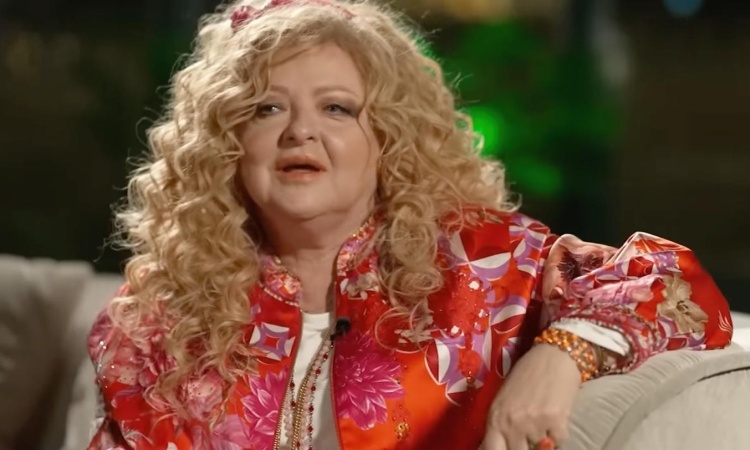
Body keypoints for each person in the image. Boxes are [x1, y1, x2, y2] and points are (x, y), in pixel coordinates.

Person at [86, 0, 733, 449]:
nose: (300, 131)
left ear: (389, 140)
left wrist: (562, 357)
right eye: (266, 109)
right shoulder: (154, 323)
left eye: (337, 109)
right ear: (227, 146)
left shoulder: (487, 263)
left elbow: (674, 286)